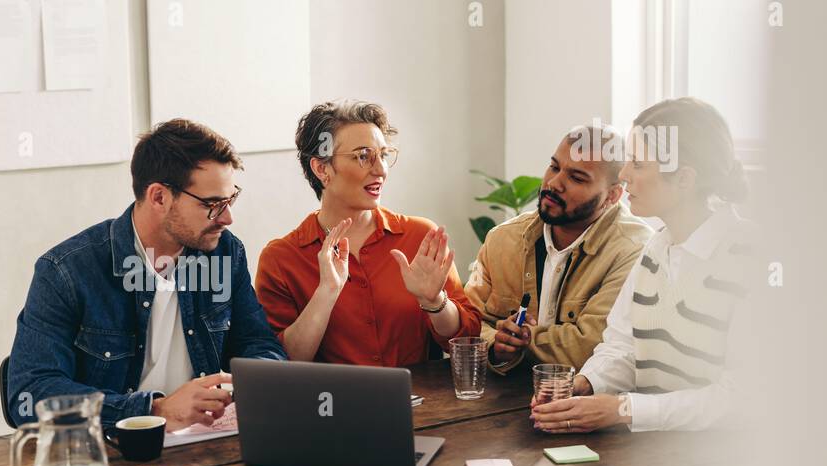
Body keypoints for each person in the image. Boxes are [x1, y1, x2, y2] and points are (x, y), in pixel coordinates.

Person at [5, 119, 285, 430]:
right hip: (110, 452)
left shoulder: (224, 253)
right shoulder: (66, 271)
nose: (228, 217)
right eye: (213, 204)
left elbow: (259, 344)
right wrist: (155, 409)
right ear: (159, 197)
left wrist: (248, 383)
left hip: (203, 444)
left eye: (230, 199)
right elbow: (29, 396)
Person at [531, 98, 756, 435]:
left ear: (684, 179)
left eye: (636, 164)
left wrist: (625, 409)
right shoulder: (655, 249)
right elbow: (623, 347)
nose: (623, 175)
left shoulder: (751, 261)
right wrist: (584, 385)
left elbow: (741, 397)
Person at [255, 100, 480, 366]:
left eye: (383, 155)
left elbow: (468, 339)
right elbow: (281, 364)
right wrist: (326, 292)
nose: (381, 170)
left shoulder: (420, 237)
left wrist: (434, 302)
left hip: (422, 405)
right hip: (330, 405)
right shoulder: (281, 259)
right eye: (363, 156)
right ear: (321, 168)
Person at [466, 125, 654, 374]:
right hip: (497, 401)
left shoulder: (634, 249)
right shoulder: (502, 239)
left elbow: (589, 347)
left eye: (577, 178)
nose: (554, 183)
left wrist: (522, 340)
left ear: (612, 196)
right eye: (554, 167)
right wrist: (494, 344)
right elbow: (470, 322)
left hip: (586, 404)